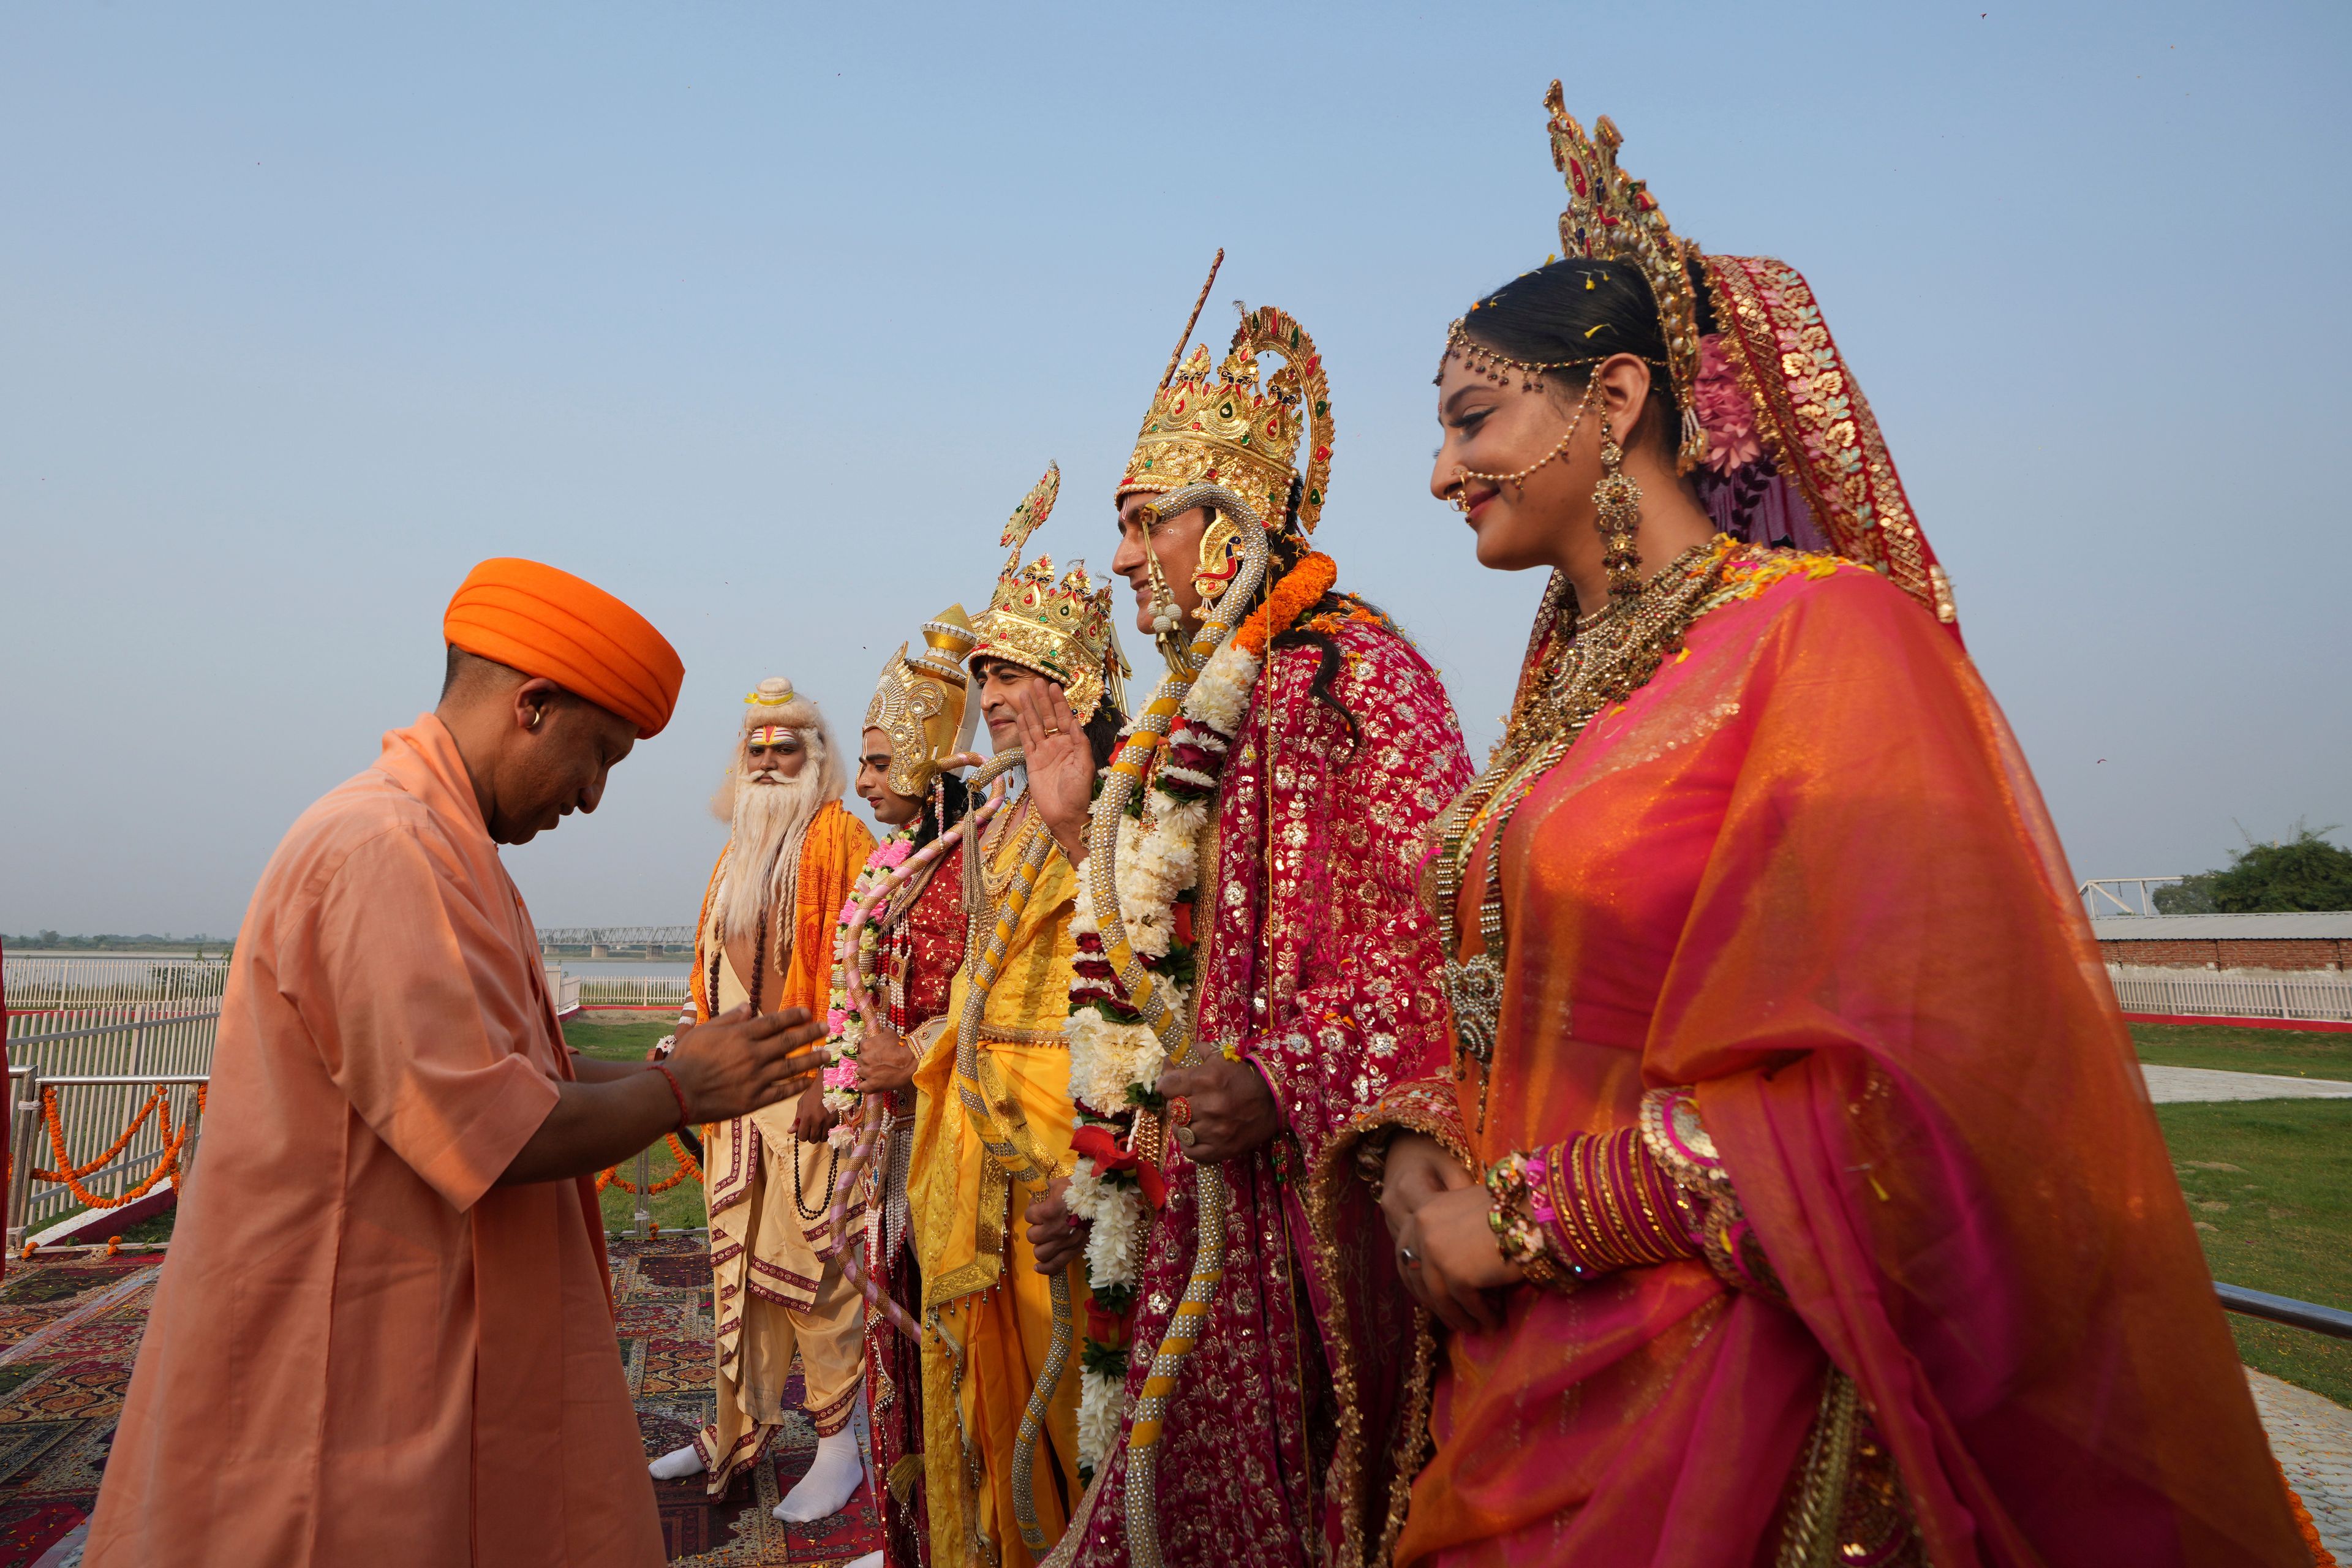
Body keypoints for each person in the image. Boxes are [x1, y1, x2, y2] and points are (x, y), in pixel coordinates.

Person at [1347, 87, 2309, 1566]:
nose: (1437, 471)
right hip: (1511, 1376)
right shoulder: (1557, 706)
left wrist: (1541, 1218)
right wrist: (1420, 1158)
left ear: (1611, 404)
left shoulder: (1818, 640)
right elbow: (1511, 1004)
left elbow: (1916, 1078)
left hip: (1725, 1382)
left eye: (1473, 419)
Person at [85, 558, 828, 1568]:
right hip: (342, 1361)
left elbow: (532, 1071)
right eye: (596, 755)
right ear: (532, 705)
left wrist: (700, 1065)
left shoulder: (451, 848)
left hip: (422, 1338)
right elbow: (503, 1127)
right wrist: (684, 1089)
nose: (596, 798)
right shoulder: (383, 847)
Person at [1013, 284, 1472, 1568]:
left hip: (1314, 1218)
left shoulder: (1355, 676)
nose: (1121, 561)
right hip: (1185, 1208)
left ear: (1222, 526)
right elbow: (1164, 971)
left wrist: (1284, 1077)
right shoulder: (1185, 712)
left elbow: (1442, 959)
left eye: (1138, 522)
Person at [907, 464, 1129, 1568]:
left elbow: (1153, 977)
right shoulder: (992, 823)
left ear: (1077, 683)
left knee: (1087, 1410)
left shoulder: (1132, 796)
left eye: (1018, 676)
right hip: (982, 1150)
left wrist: (1083, 819)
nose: (991, 697)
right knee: (993, 1420)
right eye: (986, 678)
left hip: (1073, 1144)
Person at [647, 677, 878, 1524]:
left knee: (816, 1274)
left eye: (789, 749)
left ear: (816, 760)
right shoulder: (734, 853)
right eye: (759, 750)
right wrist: (683, 1046)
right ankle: (734, 1430)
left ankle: (835, 1446)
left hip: (807, 1094)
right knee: (735, 1270)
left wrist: (830, 1078)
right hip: (737, 1103)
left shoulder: (842, 836)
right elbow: (709, 978)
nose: (773, 762)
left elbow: (864, 970)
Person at [827, 605, 984, 1568]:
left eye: (883, 762)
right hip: (896, 1148)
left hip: (956, 1152)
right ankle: (911, 1543)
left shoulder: (975, 865)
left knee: (947, 1350)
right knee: (898, 1351)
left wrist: (915, 1053)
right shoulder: (897, 871)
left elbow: (1005, 999)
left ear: (931, 759)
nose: (864, 780)